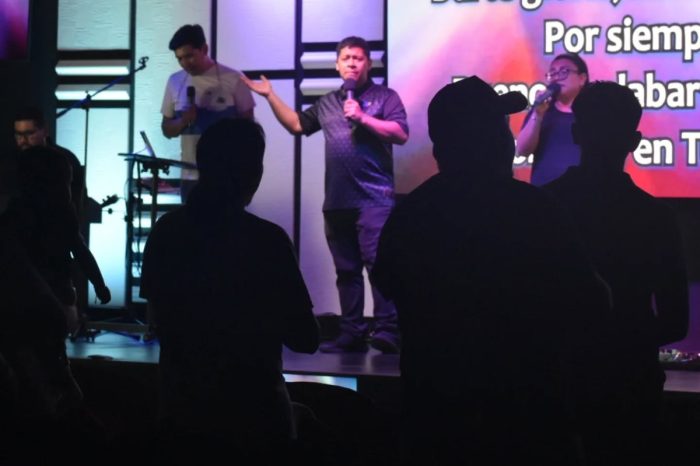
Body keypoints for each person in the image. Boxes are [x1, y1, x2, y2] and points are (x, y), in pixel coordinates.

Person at [373, 76, 611, 466]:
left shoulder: (412, 214)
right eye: (499, 128)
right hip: (528, 422)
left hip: (436, 422)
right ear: (490, 142)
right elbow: (593, 302)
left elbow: (388, 283)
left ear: (440, 148)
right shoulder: (536, 210)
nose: (507, 139)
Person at [140, 118, 319, 463]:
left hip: (181, 415)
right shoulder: (267, 241)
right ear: (253, 172)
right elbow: (304, 339)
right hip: (256, 419)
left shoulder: (165, 232)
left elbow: (160, 316)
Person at [544, 81, 689, 466]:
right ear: (635, 141)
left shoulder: (544, 208)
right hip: (631, 385)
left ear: (576, 132)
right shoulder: (656, 218)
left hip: (559, 386)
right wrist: (624, 340)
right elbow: (676, 321)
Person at [243, 36, 409, 354]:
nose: (352, 63)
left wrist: (363, 118)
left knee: (379, 266)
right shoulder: (329, 102)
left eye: (358, 58)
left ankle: (389, 331)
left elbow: (400, 133)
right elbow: (296, 124)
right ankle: (352, 332)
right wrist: (270, 96)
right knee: (346, 272)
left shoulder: (385, 97)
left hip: (375, 199)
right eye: (346, 58)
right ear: (337, 64)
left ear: (368, 63)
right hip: (337, 201)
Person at [161, 24, 255, 201]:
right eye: (179, 58)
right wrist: (182, 121)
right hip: (190, 176)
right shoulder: (175, 81)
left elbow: (249, 131)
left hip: (227, 174)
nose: (185, 63)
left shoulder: (234, 78)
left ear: (204, 49)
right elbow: (166, 129)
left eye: (189, 56)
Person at [516, 53, 589, 186]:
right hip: (544, 191)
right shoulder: (542, 110)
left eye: (564, 71)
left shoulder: (592, 113)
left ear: (582, 78)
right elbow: (522, 150)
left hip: (582, 190)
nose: (557, 78)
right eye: (553, 73)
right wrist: (538, 115)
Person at [13, 106, 86, 219]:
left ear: (45, 131)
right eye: (18, 134)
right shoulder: (13, 161)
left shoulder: (65, 159)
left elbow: (75, 204)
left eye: (30, 133)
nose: (23, 140)